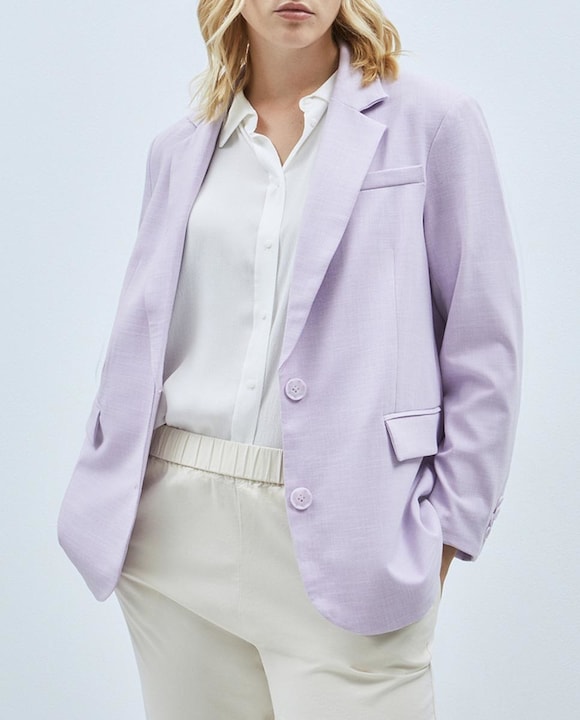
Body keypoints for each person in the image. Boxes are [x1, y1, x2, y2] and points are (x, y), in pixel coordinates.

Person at [57, 0, 522, 718]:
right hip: (173, 527)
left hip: (352, 534)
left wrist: (449, 533)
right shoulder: (180, 149)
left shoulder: (433, 123)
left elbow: (483, 342)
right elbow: (149, 328)